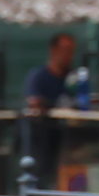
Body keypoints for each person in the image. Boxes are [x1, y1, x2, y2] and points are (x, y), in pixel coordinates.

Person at [19, 32, 76, 185]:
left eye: (71, 51)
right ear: (53, 50)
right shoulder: (38, 77)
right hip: (39, 142)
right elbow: (33, 104)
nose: (69, 56)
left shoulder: (73, 80)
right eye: (65, 51)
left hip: (65, 141)